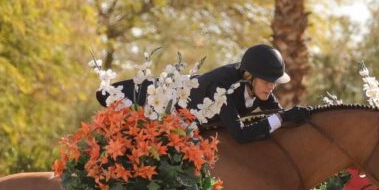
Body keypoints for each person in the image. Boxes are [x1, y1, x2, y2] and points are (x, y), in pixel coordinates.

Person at [96, 44, 311, 143]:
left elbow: (276, 114)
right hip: (154, 107)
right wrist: (282, 118)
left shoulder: (260, 85)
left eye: (274, 83)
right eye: (266, 81)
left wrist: (297, 116)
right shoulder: (223, 88)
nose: (271, 87)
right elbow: (240, 134)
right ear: (249, 76)